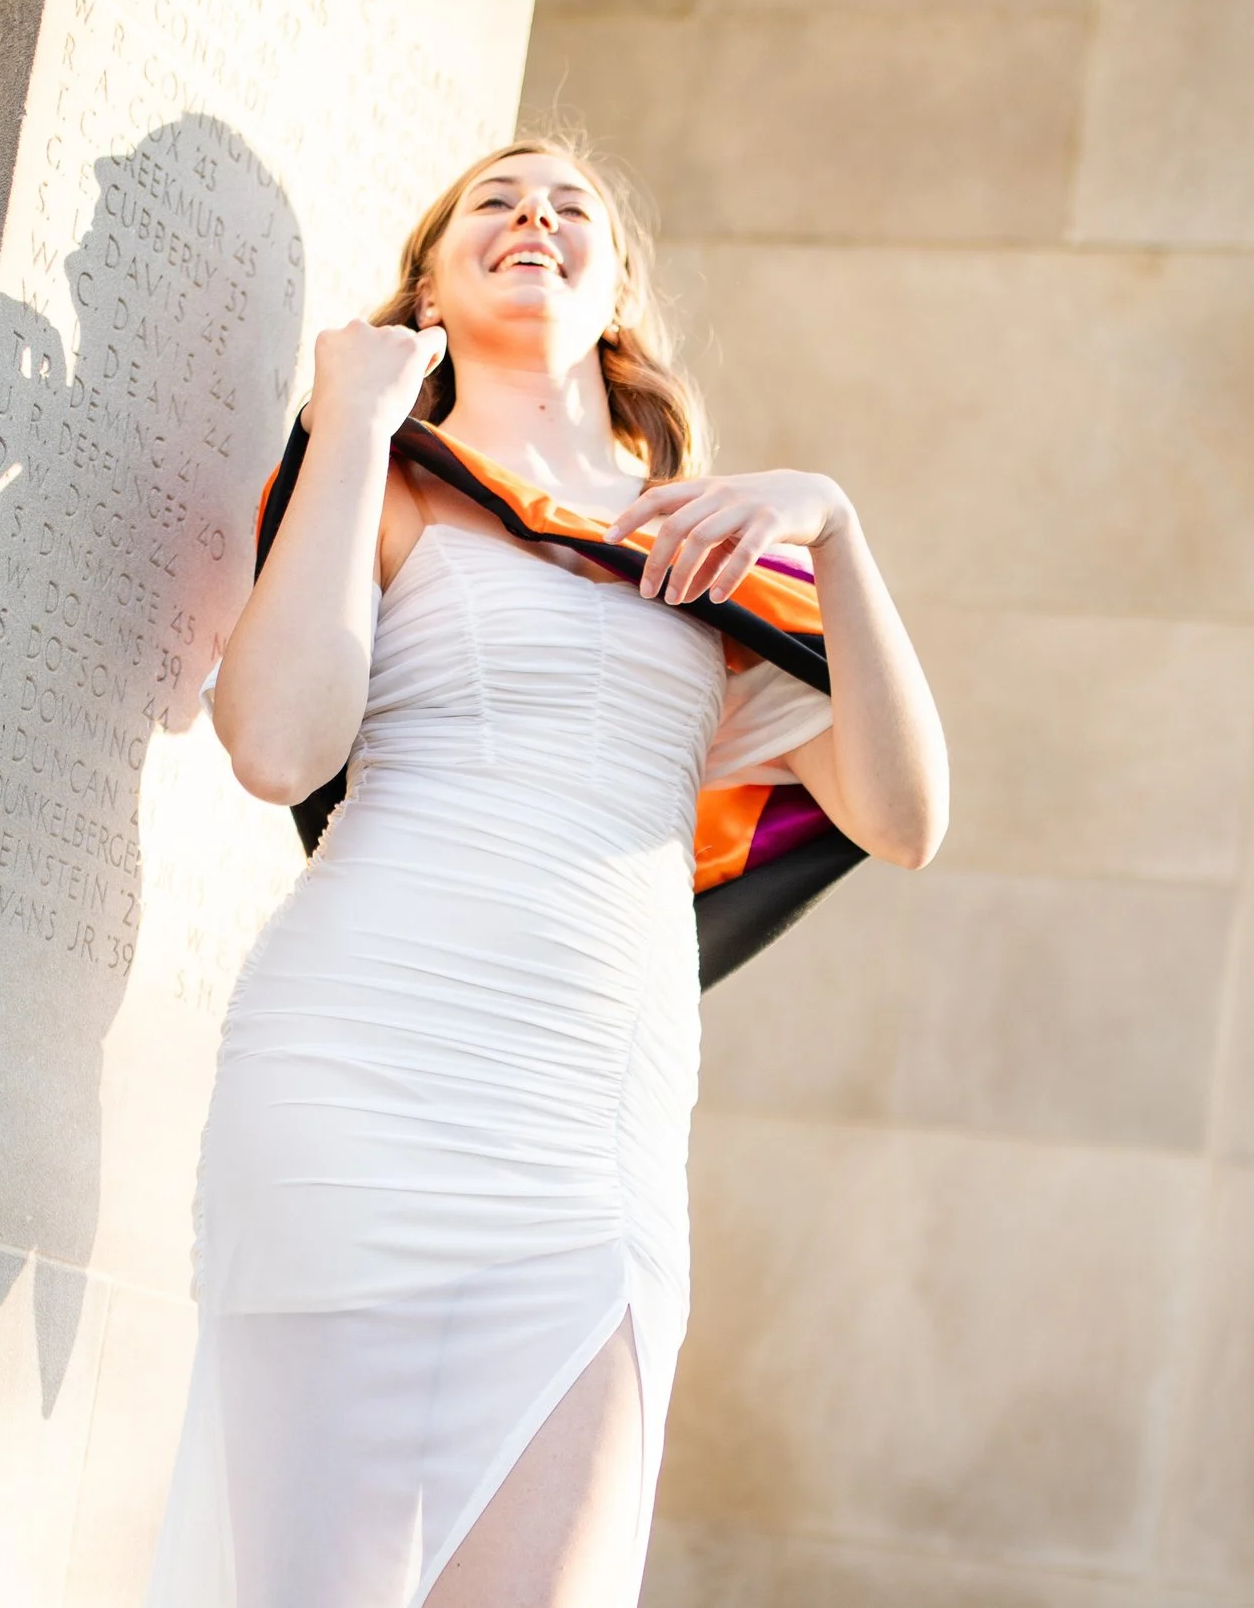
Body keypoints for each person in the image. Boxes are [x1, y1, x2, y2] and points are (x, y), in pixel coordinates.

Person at [145, 137, 948, 1607]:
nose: (533, 216)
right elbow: (275, 743)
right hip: (354, 1080)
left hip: (594, 1128)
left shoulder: (709, 557)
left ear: (616, 290)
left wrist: (834, 522)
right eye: (492, 206)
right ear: (432, 287)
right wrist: (350, 424)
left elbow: (907, 815)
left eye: (569, 203)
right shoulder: (382, 478)